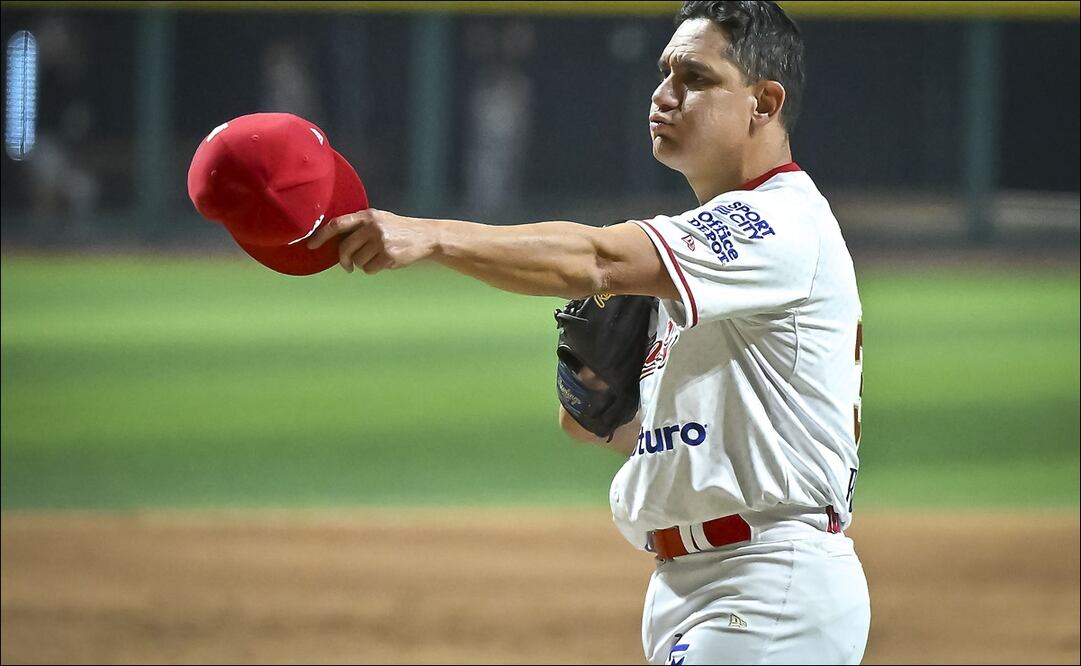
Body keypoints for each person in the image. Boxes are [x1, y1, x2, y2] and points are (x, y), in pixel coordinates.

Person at [307, 2, 870, 663]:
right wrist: (606, 414)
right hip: (700, 586)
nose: (663, 94)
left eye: (694, 76)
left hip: (766, 585)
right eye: (664, 72)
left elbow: (597, 258)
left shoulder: (776, 224)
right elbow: (662, 435)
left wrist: (430, 235)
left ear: (762, 102)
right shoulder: (715, 260)